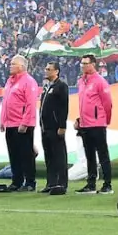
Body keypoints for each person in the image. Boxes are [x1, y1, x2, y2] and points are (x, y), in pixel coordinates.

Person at [75, 54, 114, 195]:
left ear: (93, 64)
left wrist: (105, 120)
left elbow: (107, 103)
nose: (83, 66)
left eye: (86, 63)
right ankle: (91, 184)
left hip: (97, 123)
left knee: (102, 154)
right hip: (85, 124)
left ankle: (107, 184)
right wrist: (80, 120)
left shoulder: (100, 81)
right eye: (82, 63)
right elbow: (83, 104)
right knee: (89, 155)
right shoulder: (81, 81)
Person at [0, 55, 39, 192]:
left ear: (21, 66)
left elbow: (30, 104)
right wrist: (2, 120)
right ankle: (16, 181)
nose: (10, 66)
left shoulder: (29, 82)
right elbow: (5, 102)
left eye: (13, 64)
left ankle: (30, 182)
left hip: (22, 124)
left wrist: (25, 122)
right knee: (13, 154)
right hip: (10, 123)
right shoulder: (10, 81)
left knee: (26, 154)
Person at [39, 62, 69, 194]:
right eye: (45, 68)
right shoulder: (46, 86)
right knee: (49, 156)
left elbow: (64, 107)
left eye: (49, 69)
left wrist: (62, 125)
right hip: (45, 127)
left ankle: (62, 183)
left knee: (59, 156)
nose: (46, 71)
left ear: (56, 71)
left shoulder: (61, 86)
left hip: (55, 127)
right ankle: (51, 183)